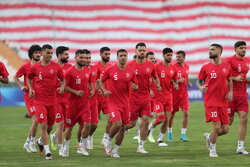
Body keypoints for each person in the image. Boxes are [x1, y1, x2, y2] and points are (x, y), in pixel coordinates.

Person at [27, 44, 65, 160]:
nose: (49, 55)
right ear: (42, 53)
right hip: (39, 101)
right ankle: (48, 152)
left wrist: (62, 87)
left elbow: (63, 79)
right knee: (43, 125)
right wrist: (31, 88)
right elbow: (28, 77)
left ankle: (40, 141)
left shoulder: (56, 67)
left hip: (52, 101)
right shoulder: (35, 67)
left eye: (51, 53)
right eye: (47, 53)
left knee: (49, 127)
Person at [99, 49, 138, 158]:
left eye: (124, 55)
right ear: (117, 57)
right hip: (113, 102)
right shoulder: (110, 69)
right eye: (121, 55)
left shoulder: (131, 71)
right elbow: (101, 81)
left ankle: (115, 151)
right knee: (117, 123)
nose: (123, 57)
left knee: (123, 128)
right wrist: (104, 91)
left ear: (127, 57)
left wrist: (135, 87)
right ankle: (108, 141)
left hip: (125, 103)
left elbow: (135, 85)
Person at [196, 43, 233, 157]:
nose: (210, 51)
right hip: (210, 101)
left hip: (223, 101)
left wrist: (230, 91)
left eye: (212, 50)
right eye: (209, 49)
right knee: (216, 126)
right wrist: (201, 87)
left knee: (225, 129)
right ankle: (212, 150)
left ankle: (209, 136)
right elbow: (198, 81)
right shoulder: (205, 67)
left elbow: (230, 80)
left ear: (219, 51)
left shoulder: (227, 66)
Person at [126, 42, 161, 153]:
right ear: (136, 51)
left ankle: (141, 146)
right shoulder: (129, 65)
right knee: (131, 124)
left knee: (145, 121)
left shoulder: (151, 65)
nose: (142, 52)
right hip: (132, 98)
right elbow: (124, 79)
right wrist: (131, 85)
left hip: (145, 98)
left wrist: (158, 85)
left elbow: (155, 77)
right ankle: (114, 131)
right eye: (140, 50)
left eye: (143, 50)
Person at [63, 49, 94, 157]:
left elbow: (89, 82)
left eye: (85, 58)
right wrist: (75, 92)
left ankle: (81, 145)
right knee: (69, 127)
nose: (83, 59)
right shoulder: (69, 72)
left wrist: (92, 90)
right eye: (81, 57)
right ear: (75, 58)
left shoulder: (87, 70)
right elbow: (64, 87)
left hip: (84, 105)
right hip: (72, 106)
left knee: (87, 125)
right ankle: (65, 145)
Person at [14, 44, 42, 153]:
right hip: (30, 97)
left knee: (39, 121)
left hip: (41, 97)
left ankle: (27, 142)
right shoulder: (25, 67)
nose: (38, 54)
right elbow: (16, 77)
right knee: (36, 120)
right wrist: (22, 86)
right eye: (36, 53)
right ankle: (31, 142)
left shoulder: (42, 67)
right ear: (31, 54)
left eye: (40, 52)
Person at [147, 48, 178, 146]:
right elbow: (149, 79)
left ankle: (159, 140)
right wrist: (151, 90)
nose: (169, 57)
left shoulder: (173, 68)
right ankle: (150, 127)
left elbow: (174, 80)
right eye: (168, 55)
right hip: (157, 96)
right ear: (163, 55)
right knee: (161, 118)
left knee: (167, 119)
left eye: (171, 55)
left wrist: (176, 84)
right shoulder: (156, 67)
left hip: (168, 97)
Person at [225, 41, 250, 154]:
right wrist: (235, 78)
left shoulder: (247, 61)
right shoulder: (229, 60)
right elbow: (223, 75)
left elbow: (245, 78)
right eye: (241, 48)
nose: (243, 49)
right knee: (228, 122)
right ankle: (211, 136)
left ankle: (240, 147)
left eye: (245, 48)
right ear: (235, 49)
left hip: (242, 95)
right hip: (230, 94)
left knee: (244, 119)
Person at [50, 46, 72, 155]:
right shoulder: (52, 67)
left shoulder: (70, 67)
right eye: (65, 54)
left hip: (68, 101)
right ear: (59, 55)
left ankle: (53, 136)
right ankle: (61, 148)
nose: (68, 56)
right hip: (56, 100)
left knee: (65, 126)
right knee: (60, 123)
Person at [76, 49, 98, 151]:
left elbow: (97, 81)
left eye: (89, 58)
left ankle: (88, 136)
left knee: (94, 124)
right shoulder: (79, 70)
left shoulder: (94, 69)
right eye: (85, 58)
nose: (87, 60)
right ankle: (80, 143)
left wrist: (99, 89)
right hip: (82, 101)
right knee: (82, 125)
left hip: (93, 100)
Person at [168, 50, 192, 142]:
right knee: (172, 115)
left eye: (179, 57)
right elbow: (168, 80)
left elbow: (186, 75)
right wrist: (177, 81)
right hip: (174, 95)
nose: (177, 58)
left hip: (184, 94)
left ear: (184, 58)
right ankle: (170, 132)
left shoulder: (187, 67)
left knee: (186, 113)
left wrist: (188, 81)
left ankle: (183, 134)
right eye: (176, 57)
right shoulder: (172, 67)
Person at [95, 47, 112, 145]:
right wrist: (97, 89)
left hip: (107, 97)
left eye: (109, 54)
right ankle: (88, 138)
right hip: (97, 98)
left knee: (110, 118)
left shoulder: (111, 67)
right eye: (106, 54)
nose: (108, 56)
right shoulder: (96, 67)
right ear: (101, 54)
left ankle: (105, 138)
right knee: (92, 123)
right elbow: (93, 80)